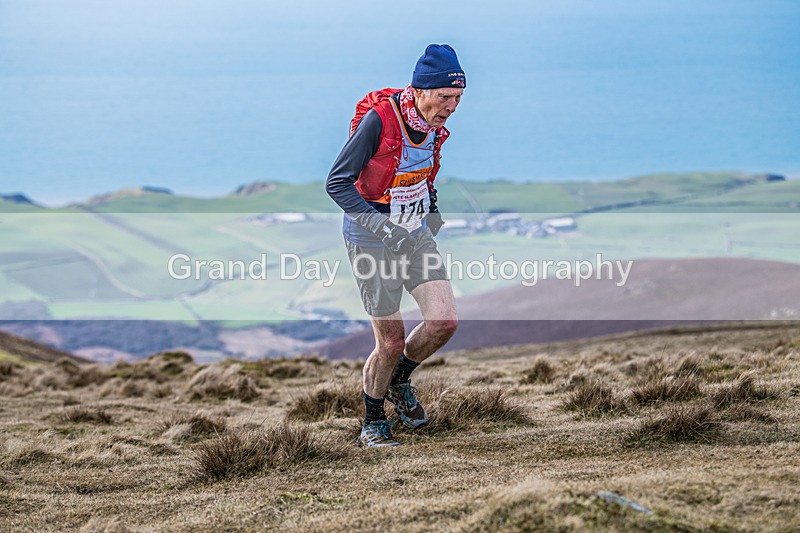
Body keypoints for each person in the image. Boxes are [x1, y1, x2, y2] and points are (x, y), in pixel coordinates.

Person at [326, 44, 465, 447]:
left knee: (444, 322)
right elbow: (337, 182)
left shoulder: (435, 124)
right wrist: (383, 230)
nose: (452, 106)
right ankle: (372, 422)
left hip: (414, 232)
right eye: (445, 97)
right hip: (371, 237)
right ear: (421, 90)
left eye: (458, 98)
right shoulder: (379, 120)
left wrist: (432, 208)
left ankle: (399, 382)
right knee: (389, 341)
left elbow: (419, 171)